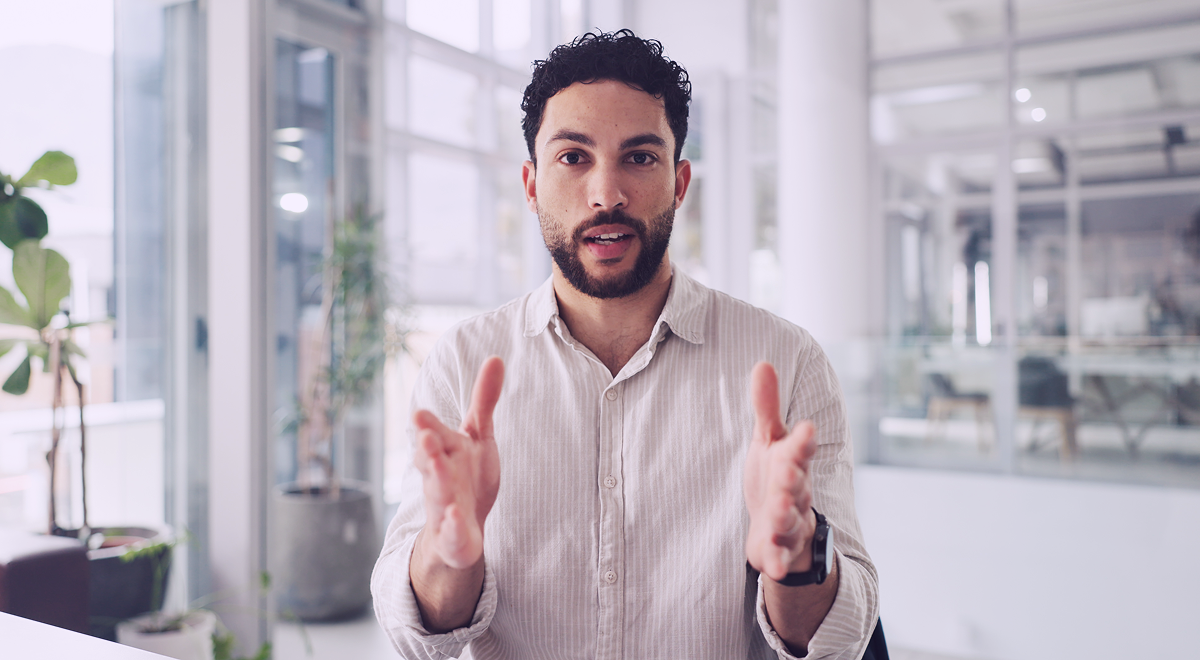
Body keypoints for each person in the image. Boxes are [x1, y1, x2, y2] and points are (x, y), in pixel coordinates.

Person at [372, 29, 878, 659]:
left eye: (639, 157)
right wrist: (449, 554)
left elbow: (842, 638)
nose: (606, 194)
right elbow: (415, 632)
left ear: (680, 181)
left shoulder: (786, 363)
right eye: (573, 158)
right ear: (530, 185)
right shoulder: (464, 364)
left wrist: (798, 559)